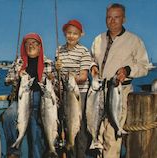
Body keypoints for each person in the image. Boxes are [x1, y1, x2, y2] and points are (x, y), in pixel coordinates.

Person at [90, 3, 149, 158]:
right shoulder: (98, 39)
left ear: (124, 19)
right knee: (98, 134)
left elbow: (144, 67)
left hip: (119, 92)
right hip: (98, 93)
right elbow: (91, 60)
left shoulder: (134, 41)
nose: (112, 21)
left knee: (111, 138)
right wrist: (93, 67)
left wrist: (128, 70)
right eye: (109, 17)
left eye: (116, 17)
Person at [2, 33, 57, 158]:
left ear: (40, 46)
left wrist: (53, 78)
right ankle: (13, 152)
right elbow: (7, 80)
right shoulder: (19, 61)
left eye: (34, 43)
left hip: (42, 100)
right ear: (24, 46)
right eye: (27, 43)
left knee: (36, 132)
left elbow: (57, 86)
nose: (30, 46)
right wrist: (18, 74)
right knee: (8, 116)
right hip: (21, 100)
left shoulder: (48, 62)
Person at [55, 19, 92, 158]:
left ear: (81, 35)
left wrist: (71, 78)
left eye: (75, 33)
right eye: (69, 33)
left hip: (79, 93)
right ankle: (69, 151)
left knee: (80, 127)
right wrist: (57, 68)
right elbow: (57, 74)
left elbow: (83, 76)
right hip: (66, 93)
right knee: (67, 124)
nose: (71, 36)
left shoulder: (84, 51)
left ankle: (81, 155)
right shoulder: (59, 50)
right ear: (65, 33)